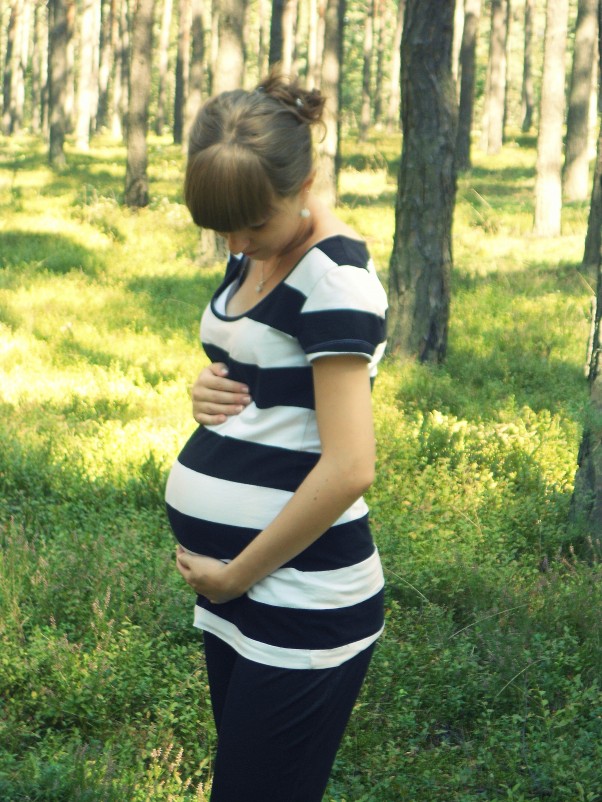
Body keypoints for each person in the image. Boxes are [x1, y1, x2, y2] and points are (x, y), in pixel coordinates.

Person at [165, 70, 388, 802]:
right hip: (245, 592)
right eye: (221, 228)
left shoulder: (335, 282)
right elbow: (262, 380)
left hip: (300, 596)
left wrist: (238, 574)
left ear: (307, 183)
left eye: (252, 224)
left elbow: (351, 465)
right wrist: (208, 392)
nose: (236, 242)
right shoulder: (253, 252)